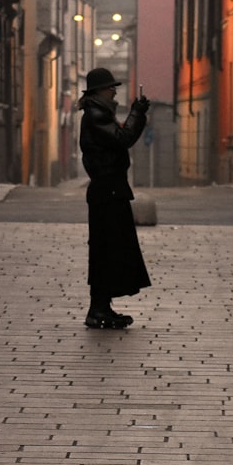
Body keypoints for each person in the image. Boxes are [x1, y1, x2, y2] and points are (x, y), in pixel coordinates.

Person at [78, 67, 152, 329]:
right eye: (110, 87)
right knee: (106, 250)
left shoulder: (99, 113)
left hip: (110, 190)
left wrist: (135, 114)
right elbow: (123, 138)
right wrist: (136, 114)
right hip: (107, 191)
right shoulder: (97, 115)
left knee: (109, 251)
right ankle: (97, 309)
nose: (114, 90)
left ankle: (102, 307)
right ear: (99, 91)